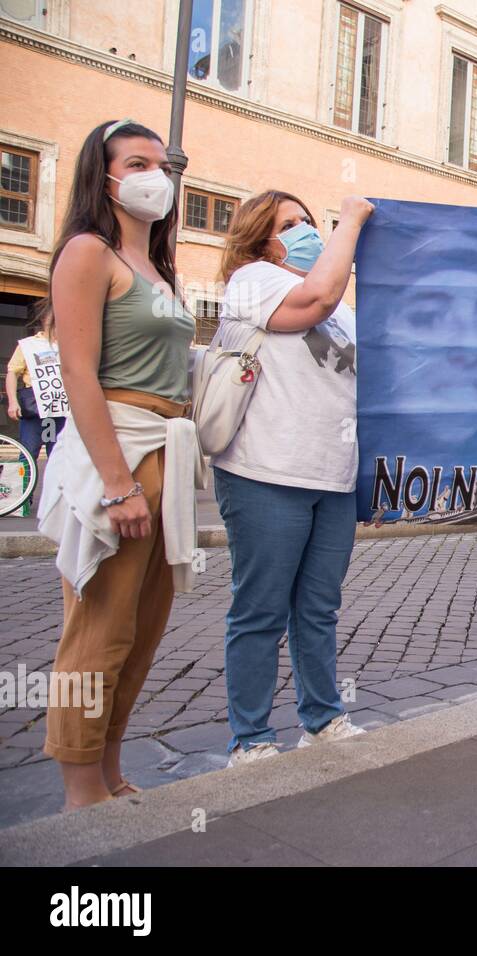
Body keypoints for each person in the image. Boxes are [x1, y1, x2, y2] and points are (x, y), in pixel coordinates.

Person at [36, 119, 199, 811]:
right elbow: (78, 371)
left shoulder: (160, 266)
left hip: (166, 448)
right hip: (122, 453)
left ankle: (109, 769)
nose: (154, 175)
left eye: (163, 165)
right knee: (97, 631)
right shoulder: (87, 252)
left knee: (140, 631)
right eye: (137, 161)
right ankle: (79, 792)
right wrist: (116, 483)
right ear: (102, 176)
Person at [212, 189, 373, 765]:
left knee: (318, 607)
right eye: (292, 224)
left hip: (331, 477)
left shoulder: (346, 312)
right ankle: (250, 738)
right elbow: (318, 297)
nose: (307, 231)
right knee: (260, 609)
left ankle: (322, 718)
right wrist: (350, 219)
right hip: (265, 471)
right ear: (262, 240)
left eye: (311, 220)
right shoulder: (253, 280)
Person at [6, 316, 67, 461]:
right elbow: (12, 373)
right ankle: (25, 483)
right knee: (28, 452)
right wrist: (13, 401)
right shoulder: (28, 345)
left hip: (60, 407)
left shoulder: (68, 346)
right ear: (46, 323)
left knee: (57, 454)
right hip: (35, 405)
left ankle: (54, 484)